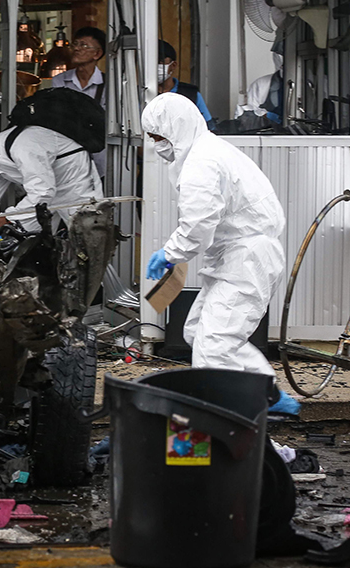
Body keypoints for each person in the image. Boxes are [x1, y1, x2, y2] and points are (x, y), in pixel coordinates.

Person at [142, 92, 298, 416]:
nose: (157, 146)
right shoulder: (208, 150)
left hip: (247, 259)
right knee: (198, 332)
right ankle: (266, 395)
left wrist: (170, 253)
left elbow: (198, 225)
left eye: (159, 137)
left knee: (214, 346)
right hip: (236, 257)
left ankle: (223, 425)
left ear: (176, 129)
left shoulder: (202, 163)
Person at [0, 125, 103, 241]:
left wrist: (8, 218)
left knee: (86, 238)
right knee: (30, 243)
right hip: (46, 191)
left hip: (74, 182)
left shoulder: (22, 147)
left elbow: (43, 192)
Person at [51, 27, 109, 176]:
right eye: (75, 44)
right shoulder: (60, 80)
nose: (76, 48)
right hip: (68, 155)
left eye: (84, 45)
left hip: (99, 158)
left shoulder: (109, 84)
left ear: (97, 54)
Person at [157, 40, 214, 129]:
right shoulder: (138, 94)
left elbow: (208, 127)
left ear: (173, 65)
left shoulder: (191, 94)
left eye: (160, 61)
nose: (155, 65)